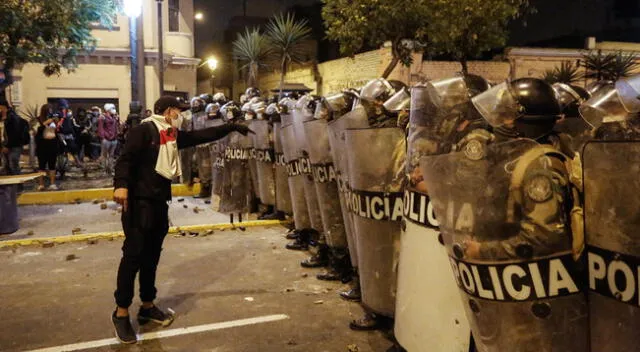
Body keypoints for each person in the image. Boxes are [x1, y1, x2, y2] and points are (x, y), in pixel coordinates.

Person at [111, 96, 253, 344]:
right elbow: (125, 159)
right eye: (180, 111)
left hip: (157, 204)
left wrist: (231, 126)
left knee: (151, 258)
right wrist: (121, 186)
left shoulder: (171, 135)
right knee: (133, 257)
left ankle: (147, 306)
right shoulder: (143, 131)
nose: (183, 115)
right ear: (168, 111)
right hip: (138, 204)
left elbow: (201, 136)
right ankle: (121, 313)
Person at [35, 104, 59, 190]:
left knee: (52, 164)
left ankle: (52, 183)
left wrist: (57, 123)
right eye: (48, 110)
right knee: (42, 165)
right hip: (42, 144)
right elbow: (36, 132)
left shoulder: (53, 120)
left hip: (52, 143)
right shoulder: (38, 119)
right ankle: (41, 184)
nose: (50, 112)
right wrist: (45, 123)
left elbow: (58, 131)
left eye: (51, 110)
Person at [1, 102, 29, 175]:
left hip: (14, 145)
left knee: (13, 164)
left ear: (3, 107)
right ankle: (10, 183)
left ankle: (18, 184)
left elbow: (15, 133)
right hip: (4, 144)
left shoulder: (13, 117)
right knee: (7, 165)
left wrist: (7, 146)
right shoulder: (3, 117)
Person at [99, 103, 119, 176]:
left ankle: (110, 170)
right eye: (112, 109)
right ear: (108, 110)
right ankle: (104, 170)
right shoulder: (103, 117)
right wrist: (103, 137)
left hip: (114, 139)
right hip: (106, 139)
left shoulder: (114, 117)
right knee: (104, 156)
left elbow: (116, 127)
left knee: (111, 155)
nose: (114, 110)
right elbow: (100, 128)